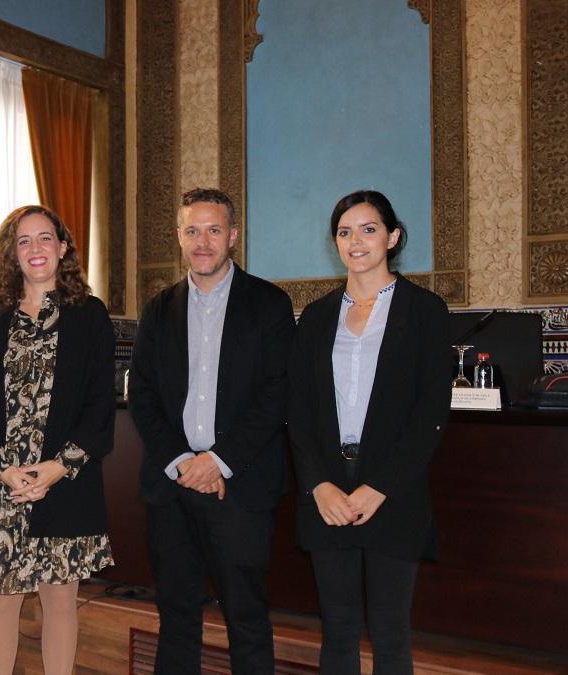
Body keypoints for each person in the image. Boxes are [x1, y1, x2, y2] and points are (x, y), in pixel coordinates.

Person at [127, 188, 294, 674]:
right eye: (192, 230)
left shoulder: (268, 304)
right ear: (179, 236)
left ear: (233, 236)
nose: (203, 241)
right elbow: (143, 397)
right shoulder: (159, 309)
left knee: (246, 616)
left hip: (238, 488)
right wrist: (183, 462)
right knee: (176, 615)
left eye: (214, 230)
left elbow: (276, 395)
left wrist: (216, 462)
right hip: (171, 487)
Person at [288, 189, 451, 674]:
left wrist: (379, 487)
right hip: (328, 493)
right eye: (344, 231)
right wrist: (318, 484)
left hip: (392, 491)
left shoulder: (424, 311)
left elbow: (430, 414)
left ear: (392, 237)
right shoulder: (316, 317)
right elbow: (298, 411)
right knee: (337, 631)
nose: (355, 240)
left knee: (390, 633)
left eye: (368, 229)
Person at [0, 205, 115, 675]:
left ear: (63, 247)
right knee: (2, 600)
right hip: (1, 485)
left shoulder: (89, 315)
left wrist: (56, 468)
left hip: (64, 483)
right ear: (12, 253)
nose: (35, 249)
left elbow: (99, 405)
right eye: (23, 241)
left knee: (60, 599)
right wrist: (3, 469)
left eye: (44, 238)